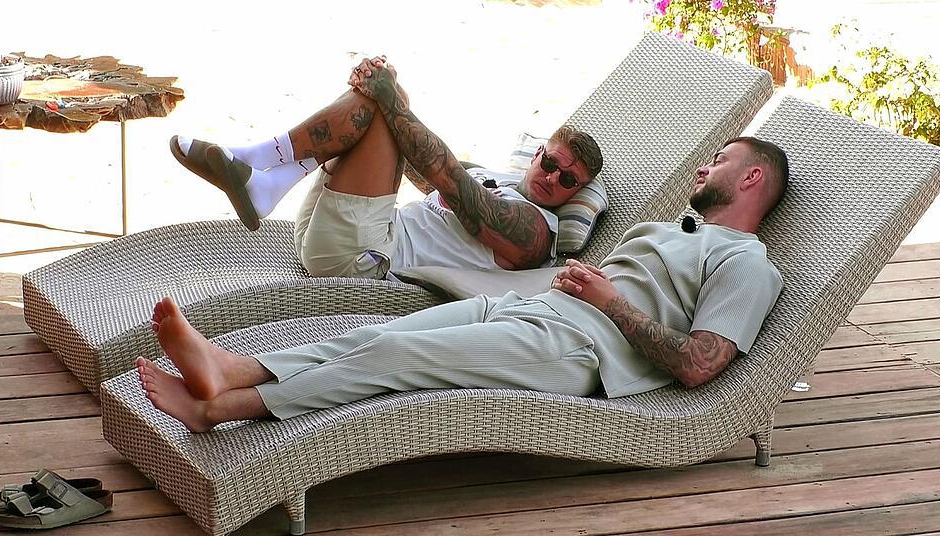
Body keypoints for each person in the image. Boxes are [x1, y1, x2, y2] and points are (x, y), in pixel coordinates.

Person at [138, 133, 789, 433]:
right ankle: (234, 369)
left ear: (752, 178)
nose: (703, 168)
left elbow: (700, 364)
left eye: (718, 161)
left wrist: (612, 303)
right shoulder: (672, 229)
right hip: (529, 309)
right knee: (374, 335)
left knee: (396, 356)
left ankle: (219, 410)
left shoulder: (747, 263)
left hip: (577, 352)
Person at [170, 56, 603, 278]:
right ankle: (266, 175)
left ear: (576, 193)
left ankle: (261, 165)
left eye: (569, 180)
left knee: (387, 107)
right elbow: (418, 160)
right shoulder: (496, 177)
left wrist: (389, 97)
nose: (553, 178)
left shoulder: (537, 231)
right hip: (335, 235)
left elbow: (449, 179)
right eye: (551, 163)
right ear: (537, 154)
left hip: (364, 260)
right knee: (389, 99)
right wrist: (385, 83)